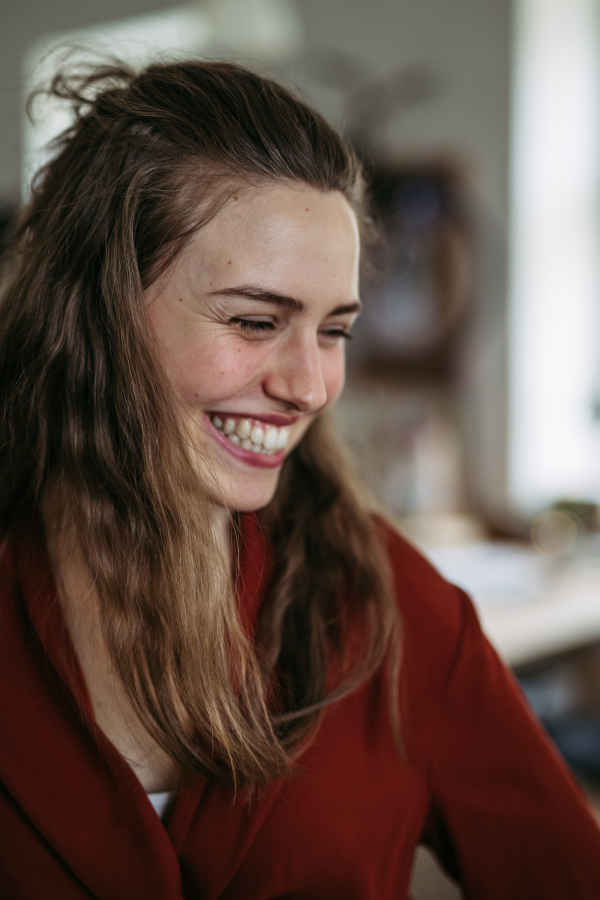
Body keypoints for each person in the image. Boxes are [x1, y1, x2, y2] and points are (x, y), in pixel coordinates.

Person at [0, 58, 599, 900]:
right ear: (94, 310)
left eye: (334, 331)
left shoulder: (388, 610)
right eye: (255, 321)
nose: (310, 385)